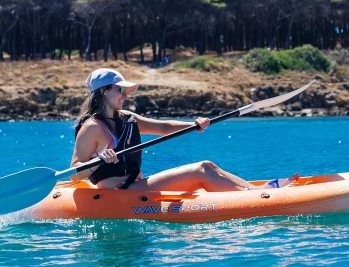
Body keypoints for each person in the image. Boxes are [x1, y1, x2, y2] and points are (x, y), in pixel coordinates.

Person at [70, 68, 298, 192]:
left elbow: (163, 127)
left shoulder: (128, 118)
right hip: (118, 193)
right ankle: (259, 197)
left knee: (207, 166)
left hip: (137, 184)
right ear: (103, 92)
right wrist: (100, 159)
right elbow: (76, 172)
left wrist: (194, 125)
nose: (125, 95)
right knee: (200, 169)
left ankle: (255, 191)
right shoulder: (92, 128)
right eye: (120, 89)